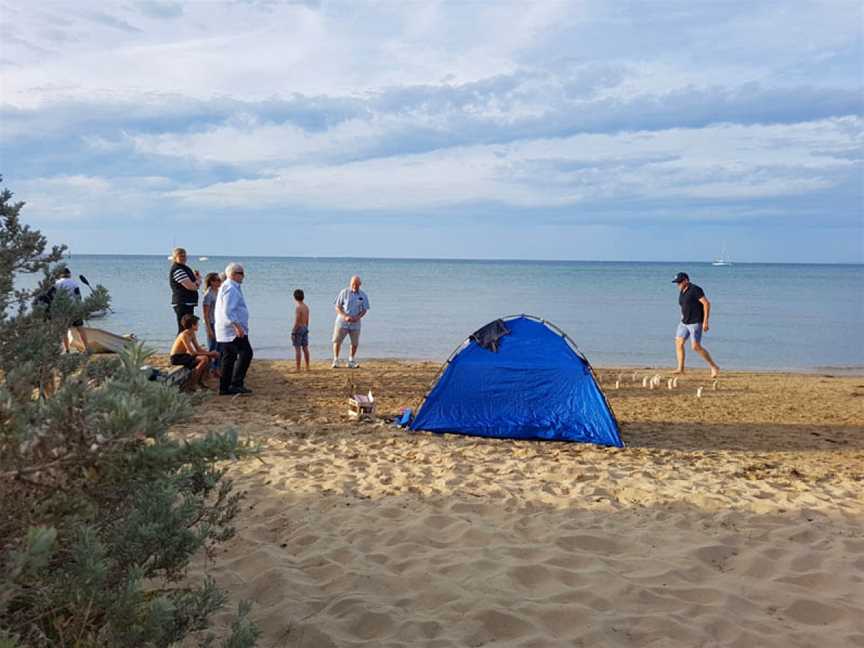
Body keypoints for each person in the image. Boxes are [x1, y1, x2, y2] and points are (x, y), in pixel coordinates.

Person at [215, 263, 253, 395]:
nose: (243, 276)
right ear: (233, 274)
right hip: (232, 330)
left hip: (229, 329)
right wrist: (237, 326)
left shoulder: (229, 286)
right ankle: (235, 383)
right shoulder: (230, 288)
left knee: (229, 358)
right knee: (245, 353)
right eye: (241, 273)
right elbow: (228, 310)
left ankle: (225, 387)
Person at [672, 272, 720, 377]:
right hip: (684, 322)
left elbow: (706, 303)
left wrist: (706, 321)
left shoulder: (695, 289)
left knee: (695, 347)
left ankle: (714, 366)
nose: (678, 284)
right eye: (677, 283)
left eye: (679, 282)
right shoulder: (682, 291)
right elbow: (683, 305)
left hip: (695, 322)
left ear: (686, 280)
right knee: (678, 343)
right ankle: (680, 368)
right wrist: (682, 316)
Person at [169, 314, 219, 390]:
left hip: (184, 355)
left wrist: (210, 354)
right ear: (192, 325)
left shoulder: (192, 333)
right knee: (204, 359)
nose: (198, 325)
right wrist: (210, 353)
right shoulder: (184, 335)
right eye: (197, 324)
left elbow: (198, 349)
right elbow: (192, 353)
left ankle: (201, 381)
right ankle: (193, 383)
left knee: (208, 358)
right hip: (176, 357)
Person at [332, 275, 369, 368]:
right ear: (350, 283)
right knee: (337, 341)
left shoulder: (363, 295)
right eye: (353, 284)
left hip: (356, 323)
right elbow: (337, 307)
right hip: (342, 322)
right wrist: (344, 316)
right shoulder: (344, 292)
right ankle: (336, 360)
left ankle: (351, 360)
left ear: (360, 284)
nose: (354, 286)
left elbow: (365, 309)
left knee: (355, 343)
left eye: (357, 284)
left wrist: (358, 317)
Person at [55, 268, 89, 353]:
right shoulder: (74, 283)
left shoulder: (57, 283)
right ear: (69, 274)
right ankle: (87, 348)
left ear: (60, 274)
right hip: (74, 309)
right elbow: (78, 297)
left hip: (63, 310)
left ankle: (67, 350)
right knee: (81, 329)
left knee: (64, 331)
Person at [169, 247, 201, 334]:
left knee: (189, 329)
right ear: (175, 257)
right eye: (181, 256)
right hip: (182, 303)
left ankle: (187, 347)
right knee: (183, 330)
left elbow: (193, 284)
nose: (183, 258)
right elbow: (191, 286)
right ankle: (179, 347)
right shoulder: (178, 270)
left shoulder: (184, 268)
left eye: (184, 256)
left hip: (187, 303)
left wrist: (196, 279)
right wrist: (198, 280)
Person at [201, 272, 222, 375]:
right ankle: (210, 368)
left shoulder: (218, 291)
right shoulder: (208, 294)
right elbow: (205, 314)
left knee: (219, 346)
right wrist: (208, 329)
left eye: (220, 280)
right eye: (218, 280)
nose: (220, 282)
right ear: (212, 282)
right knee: (212, 347)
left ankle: (216, 368)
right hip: (212, 323)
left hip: (218, 323)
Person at [292, 289, 310, 371]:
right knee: (305, 348)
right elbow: (307, 320)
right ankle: (307, 366)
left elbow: (297, 320)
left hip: (299, 328)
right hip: (305, 327)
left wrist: (293, 331)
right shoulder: (306, 307)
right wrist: (306, 328)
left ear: (295, 298)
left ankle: (298, 367)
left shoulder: (298, 308)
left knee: (298, 348)